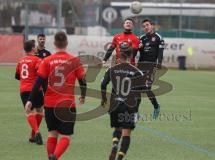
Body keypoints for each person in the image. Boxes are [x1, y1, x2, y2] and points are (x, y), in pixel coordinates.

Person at [25, 31, 87, 160]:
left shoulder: (47, 60)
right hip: (67, 104)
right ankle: (54, 157)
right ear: (67, 43)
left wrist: (30, 100)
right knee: (65, 136)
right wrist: (83, 95)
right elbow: (82, 80)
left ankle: (51, 157)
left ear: (54, 44)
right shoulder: (74, 60)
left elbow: (39, 81)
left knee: (52, 134)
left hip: (50, 104)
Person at [101, 42, 145, 160]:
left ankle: (115, 144)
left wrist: (104, 99)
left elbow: (103, 84)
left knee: (117, 128)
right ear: (131, 56)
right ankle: (120, 157)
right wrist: (136, 109)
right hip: (129, 106)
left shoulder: (111, 69)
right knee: (127, 132)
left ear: (119, 55)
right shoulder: (137, 71)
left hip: (114, 104)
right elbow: (140, 92)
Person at [15, 40, 44, 145]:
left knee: (29, 112)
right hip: (37, 90)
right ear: (32, 49)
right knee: (40, 111)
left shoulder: (21, 61)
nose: (36, 47)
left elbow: (17, 76)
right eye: (35, 46)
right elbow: (41, 74)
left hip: (24, 90)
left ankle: (35, 132)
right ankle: (33, 135)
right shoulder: (37, 60)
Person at [138, 19, 165, 119]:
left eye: (147, 25)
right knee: (137, 89)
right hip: (140, 66)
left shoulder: (158, 37)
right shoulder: (141, 38)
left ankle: (156, 106)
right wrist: (138, 47)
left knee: (147, 88)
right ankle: (136, 112)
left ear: (152, 26)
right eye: (144, 26)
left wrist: (159, 63)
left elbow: (161, 52)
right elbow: (136, 51)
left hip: (151, 66)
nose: (146, 27)